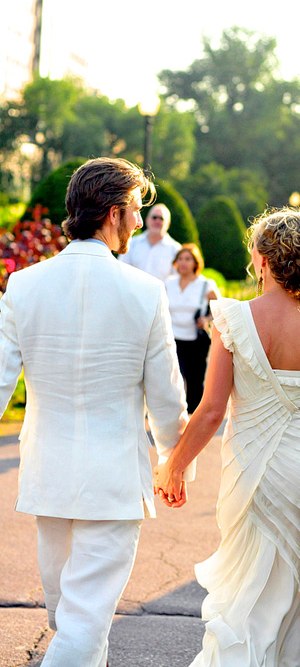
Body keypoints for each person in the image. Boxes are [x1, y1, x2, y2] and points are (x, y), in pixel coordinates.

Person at [152, 207, 300, 667]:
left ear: (263, 260)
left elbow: (211, 411)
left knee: (246, 598)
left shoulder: (232, 320)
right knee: (295, 601)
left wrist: (174, 465)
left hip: (250, 470)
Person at [0, 157, 192, 666]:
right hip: (112, 481)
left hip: (48, 475)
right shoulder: (145, 292)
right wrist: (175, 463)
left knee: (73, 618)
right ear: (112, 213)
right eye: (134, 211)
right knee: (82, 623)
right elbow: (167, 396)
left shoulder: (23, 285)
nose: (136, 222)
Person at [166, 244, 220, 413]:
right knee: (173, 378)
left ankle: (194, 417)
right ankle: (175, 414)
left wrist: (207, 318)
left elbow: (219, 309)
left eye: (188, 259)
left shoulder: (206, 284)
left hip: (196, 340)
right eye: (180, 259)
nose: (183, 263)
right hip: (173, 338)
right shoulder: (169, 283)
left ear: (195, 262)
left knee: (195, 380)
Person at [118, 202, 181, 280]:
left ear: (168, 224)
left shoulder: (175, 250)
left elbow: (178, 279)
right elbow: (121, 269)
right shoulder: (132, 243)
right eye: (154, 217)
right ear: (147, 220)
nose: (157, 221)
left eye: (161, 218)